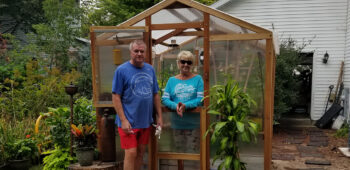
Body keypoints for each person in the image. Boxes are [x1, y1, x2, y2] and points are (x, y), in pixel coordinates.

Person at [112, 40, 163, 170]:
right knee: (131, 153)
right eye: (136, 51)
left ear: (145, 53)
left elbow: (155, 94)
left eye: (142, 51)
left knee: (140, 153)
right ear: (130, 52)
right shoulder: (121, 70)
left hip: (145, 121)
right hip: (129, 121)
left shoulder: (150, 69)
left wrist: (160, 117)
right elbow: (115, 96)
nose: (139, 54)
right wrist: (123, 120)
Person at [162, 50, 204, 154]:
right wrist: (176, 106)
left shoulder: (198, 79)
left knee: (193, 154)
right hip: (176, 124)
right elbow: (165, 99)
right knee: (179, 154)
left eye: (189, 62)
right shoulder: (172, 80)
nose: (186, 64)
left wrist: (186, 105)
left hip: (193, 125)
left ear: (192, 65)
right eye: (183, 61)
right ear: (178, 63)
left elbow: (201, 99)